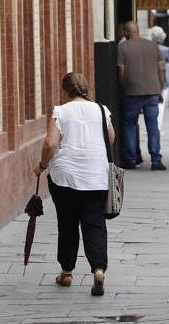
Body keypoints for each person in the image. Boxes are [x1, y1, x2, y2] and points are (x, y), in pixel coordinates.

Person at [33, 72, 115, 296]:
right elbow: (111, 137)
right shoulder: (101, 110)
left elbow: (50, 144)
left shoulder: (61, 111)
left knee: (67, 224)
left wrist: (41, 165)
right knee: (94, 223)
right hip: (96, 176)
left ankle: (67, 272)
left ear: (66, 91)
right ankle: (98, 270)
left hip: (65, 177)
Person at [117, 21, 166, 171]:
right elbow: (162, 68)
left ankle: (131, 159)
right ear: (138, 31)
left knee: (130, 125)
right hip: (152, 92)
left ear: (126, 32)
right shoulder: (152, 45)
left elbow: (121, 72)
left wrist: (124, 88)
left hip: (131, 93)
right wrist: (159, 88)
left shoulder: (122, 47)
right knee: (152, 126)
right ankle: (156, 160)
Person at [150, 26, 169, 134]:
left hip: (152, 79)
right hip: (165, 80)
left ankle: (153, 127)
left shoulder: (149, 49)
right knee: (161, 106)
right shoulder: (166, 50)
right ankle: (158, 127)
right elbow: (167, 66)